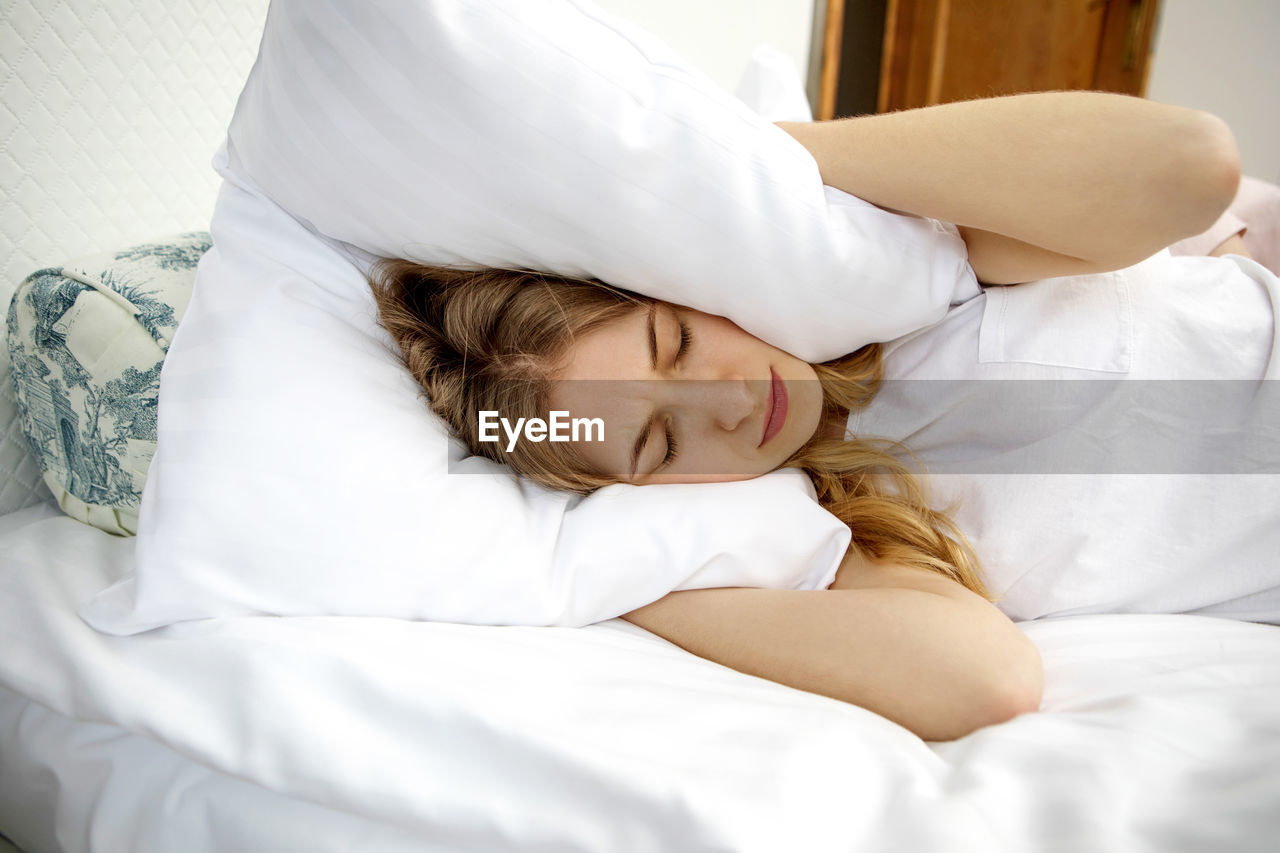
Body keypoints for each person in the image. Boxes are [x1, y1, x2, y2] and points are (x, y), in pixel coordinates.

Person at [369, 91, 1249, 741]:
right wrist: (621, 590)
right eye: (662, 439)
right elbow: (988, 682)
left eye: (675, 342)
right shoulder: (847, 533)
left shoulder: (914, 283)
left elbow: (1193, 167)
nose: (732, 399)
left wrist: (762, 165)